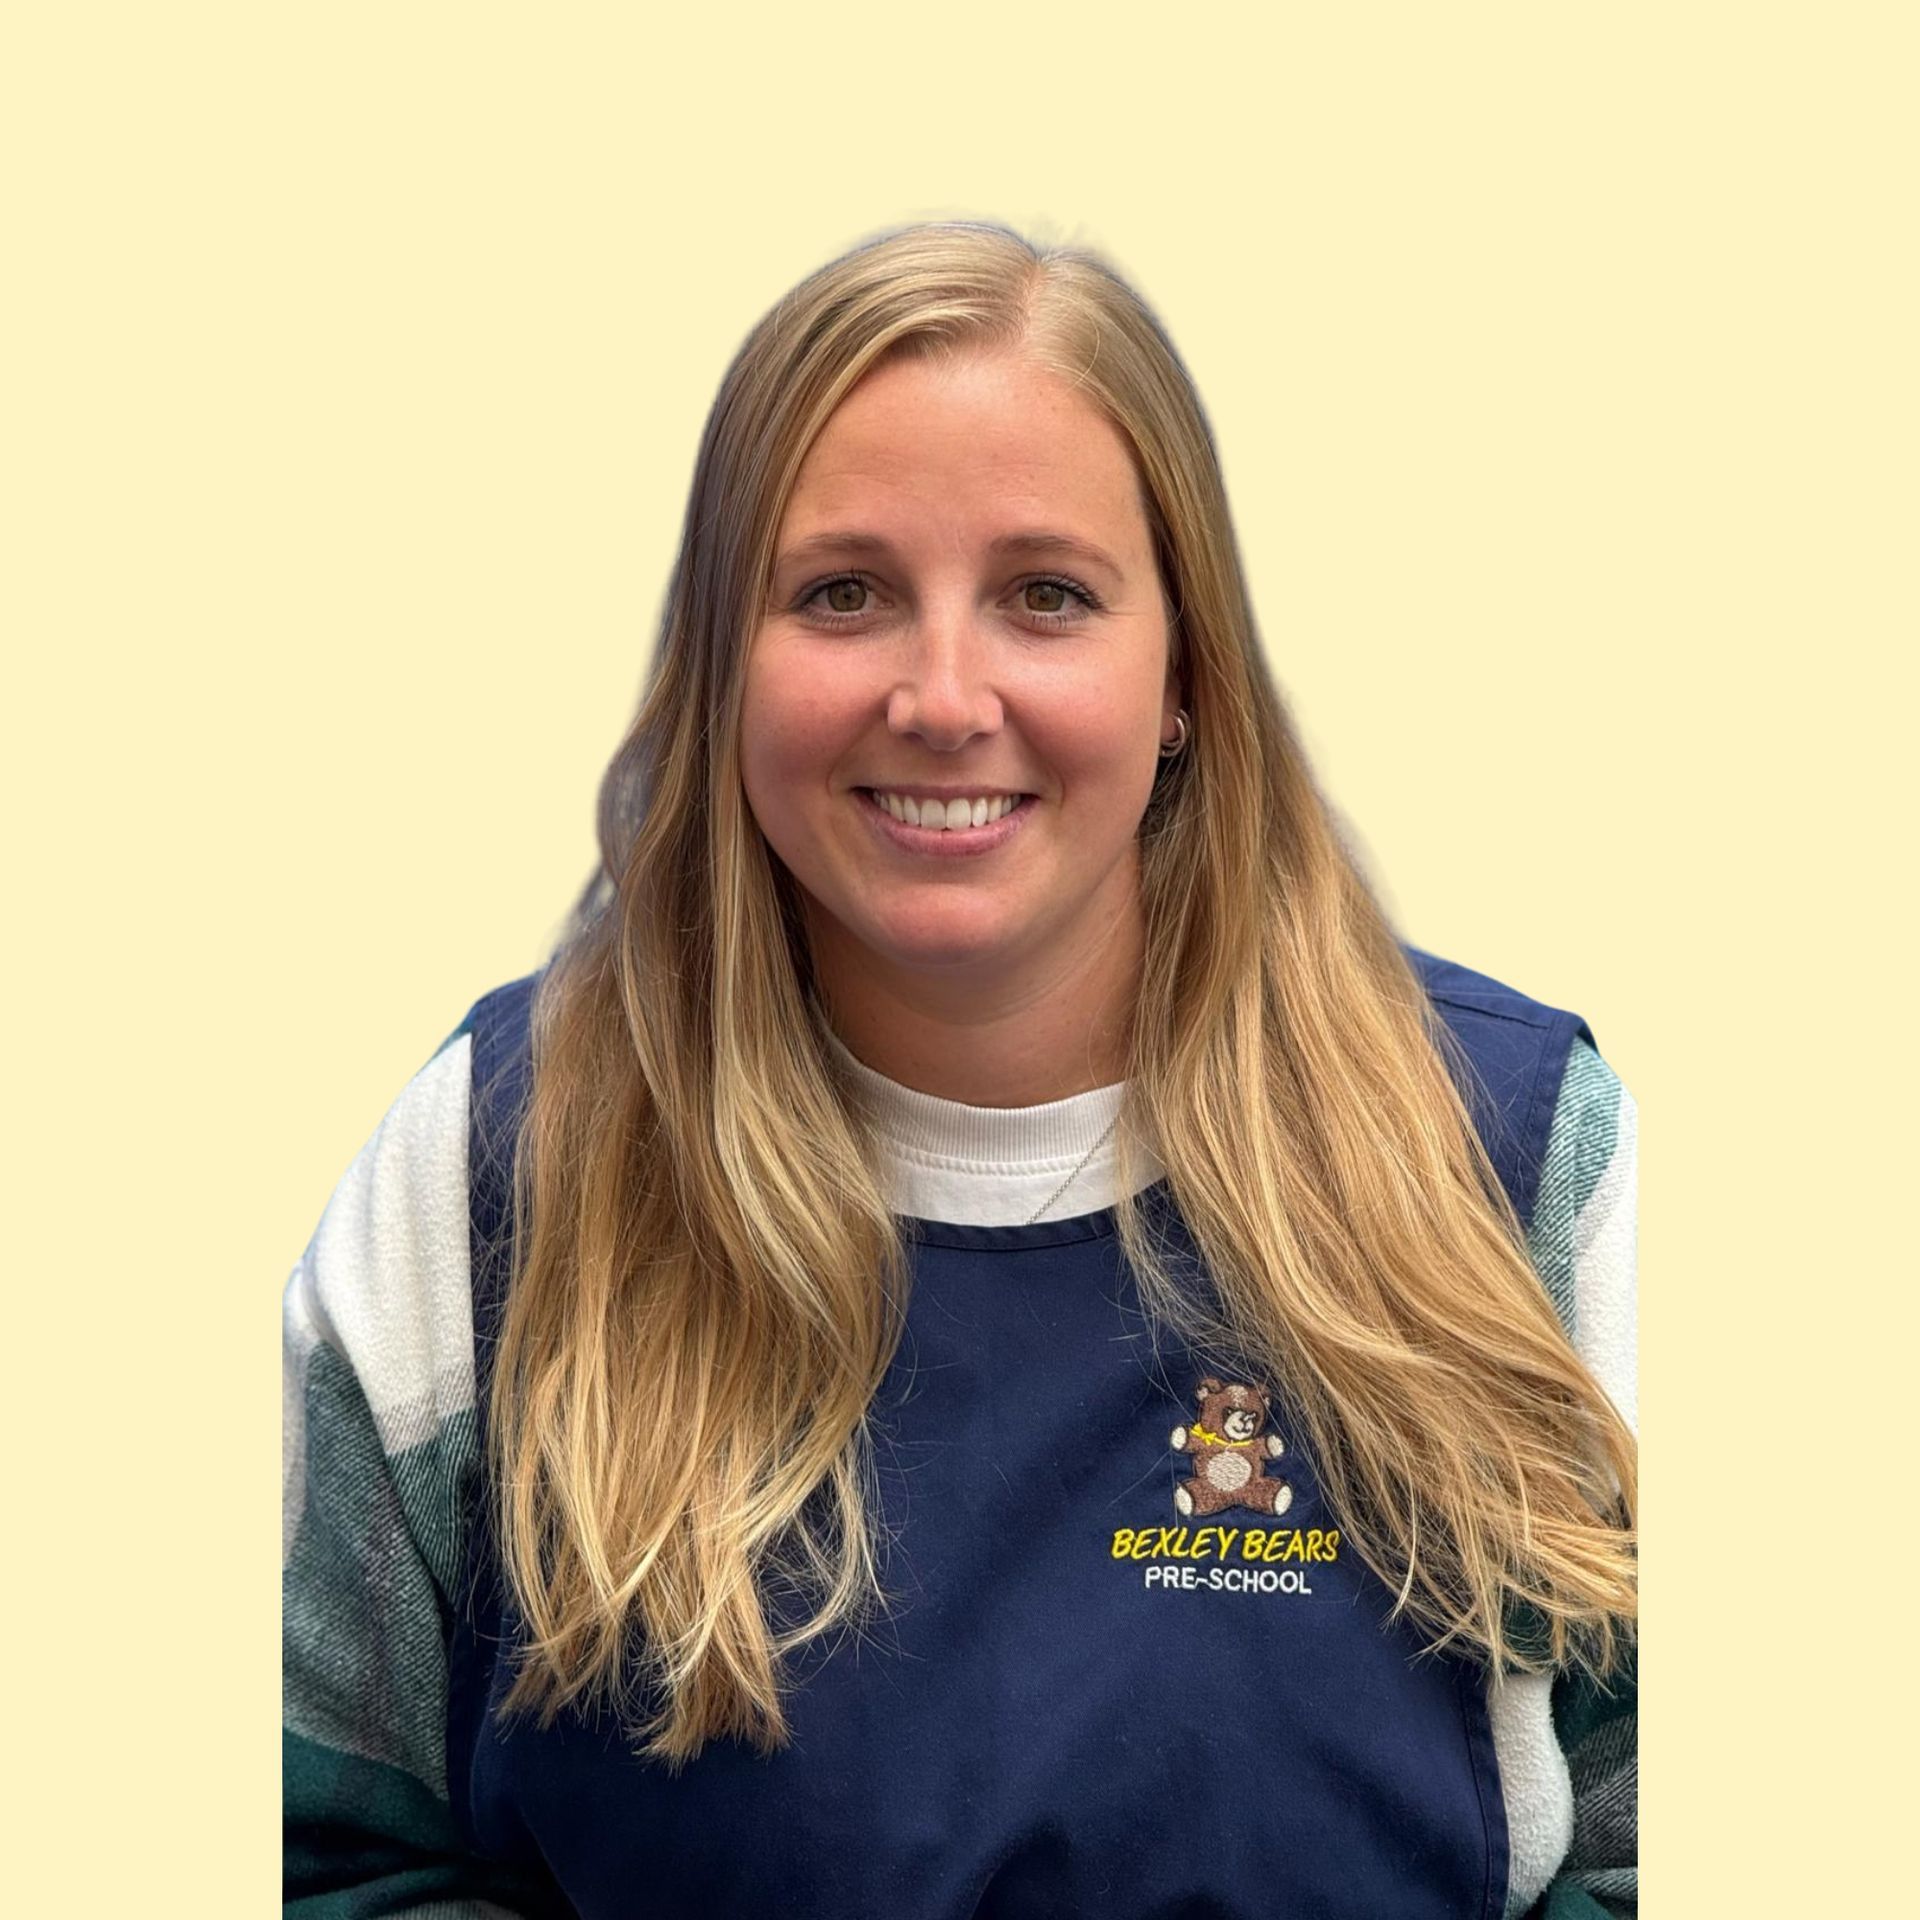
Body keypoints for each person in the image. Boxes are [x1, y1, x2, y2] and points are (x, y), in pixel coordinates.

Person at [283, 220, 1637, 1919]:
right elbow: (314, 1851)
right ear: (720, 666)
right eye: (842, 593)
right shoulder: (491, 1171)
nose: (941, 695)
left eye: (1045, 597)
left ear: (1184, 681)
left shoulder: (1512, 1163)